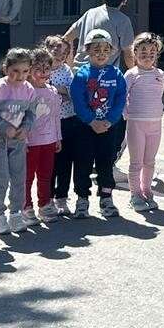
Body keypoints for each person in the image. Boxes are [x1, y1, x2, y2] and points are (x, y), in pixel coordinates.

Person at [70, 32, 127, 219]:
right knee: (83, 162)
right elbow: (78, 101)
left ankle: (106, 198)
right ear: (87, 51)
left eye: (105, 50)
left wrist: (110, 120)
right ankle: (82, 198)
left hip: (109, 127)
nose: (101, 53)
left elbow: (120, 99)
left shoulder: (116, 74)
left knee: (106, 162)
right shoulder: (82, 75)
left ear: (111, 52)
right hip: (86, 127)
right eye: (96, 50)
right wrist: (91, 121)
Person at [0, 48, 35, 235]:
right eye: (15, 70)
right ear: (6, 68)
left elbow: (30, 113)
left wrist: (26, 128)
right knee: (0, 178)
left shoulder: (29, 89)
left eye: (25, 71)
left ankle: (15, 213)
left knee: (18, 178)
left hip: (18, 143)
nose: (20, 76)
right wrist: (2, 127)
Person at [124, 33, 164, 213]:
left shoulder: (160, 74)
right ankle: (135, 194)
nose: (147, 55)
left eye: (152, 52)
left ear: (157, 54)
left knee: (150, 161)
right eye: (143, 51)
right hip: (136, 123)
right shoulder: (131, 74)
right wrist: (127, 114)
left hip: (155, 123)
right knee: (136, 162)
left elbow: (159, 94)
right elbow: (123, 96)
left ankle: (147, 190)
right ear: (135, 52)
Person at [23, 46, 63, 223]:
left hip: (48, 141)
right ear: (30, 70)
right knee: (27, 176)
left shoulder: (52, 91)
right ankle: (26, 206)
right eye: (38, 69)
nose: (43, 73)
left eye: (46, 68)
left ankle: (45, 204)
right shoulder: (25, 91)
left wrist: (58, 137)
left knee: (46, 175)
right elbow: (21, 118)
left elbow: (56, 116)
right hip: (30, 142)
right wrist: (22, 140)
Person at [46, 35, 82, 215]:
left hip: (67, 119)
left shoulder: (67, 70)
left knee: (65, 161)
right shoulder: (41, 69)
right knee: (49, 162)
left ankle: (62, 197)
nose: (59, 55)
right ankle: (48, 198)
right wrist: (58, 91)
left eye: (64, 52)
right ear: (47, 48)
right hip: (46, 122)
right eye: (55, 49)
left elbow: (71, 93)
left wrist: (55, 90)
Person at [66, 0, 135, 68]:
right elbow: (128, 53)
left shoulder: (90, 13)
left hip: (79, 71)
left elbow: (67, 37)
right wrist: (135, 75)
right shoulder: (123, 20)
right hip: (103, 74)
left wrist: (69, 63)